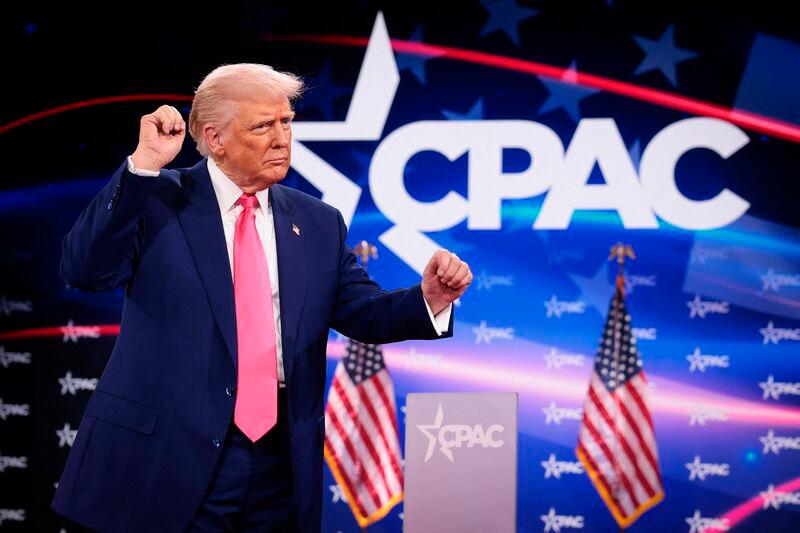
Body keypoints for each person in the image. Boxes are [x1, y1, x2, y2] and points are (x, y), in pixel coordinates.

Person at [51, 63, 472, 532]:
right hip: (167, 456)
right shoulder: (156, 200)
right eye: (262, 126)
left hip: (280, 464)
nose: (281, 138)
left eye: (286, 122)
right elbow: (84, 270)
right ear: (215, 139)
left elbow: (363, 312)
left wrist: (429, 298)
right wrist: (144, 164)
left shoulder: (317, 222)